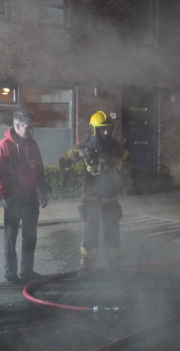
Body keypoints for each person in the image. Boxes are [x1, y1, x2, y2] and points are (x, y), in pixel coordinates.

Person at [59, 111, 132, 273]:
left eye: (108, 129)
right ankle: (87, 266)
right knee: (90, 232)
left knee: (112, 232)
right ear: (94, 129)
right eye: (102, 129)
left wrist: (121, 172)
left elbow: (127, 158)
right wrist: (69, 176)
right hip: (91, 199)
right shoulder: (83, 147)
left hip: (110, 199)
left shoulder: (115, 146)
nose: (106, 133)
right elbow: (64, 160)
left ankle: (114, 266)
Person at [0, 110, 49, 283]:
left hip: (31, 197)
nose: (30, 131)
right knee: (11, 236)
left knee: (30, 235)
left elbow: (39, 169)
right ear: (17, 126)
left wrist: (44, 190)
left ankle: (27, 270)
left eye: (31, 127)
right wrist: (5, 195)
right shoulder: (4, 145)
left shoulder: (32, 145)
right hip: (13, 198)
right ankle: (10, 272)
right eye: (27, 127)